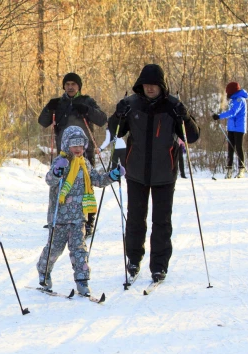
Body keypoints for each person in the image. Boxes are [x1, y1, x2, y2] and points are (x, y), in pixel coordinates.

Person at [108, 64, 200, 283]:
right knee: (135, 220)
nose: (149, 89)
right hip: (136, 172)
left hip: (164, 174)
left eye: (154, 85)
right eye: (146, 84)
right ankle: (133, 259)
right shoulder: (131, 105)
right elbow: (116, 131)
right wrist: (118, 115)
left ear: (162, 86)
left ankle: (159, 266)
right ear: (141, 85)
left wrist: (184, 117)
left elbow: (193, 136)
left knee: (162, 222)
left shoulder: (172, 106)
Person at [37, 126, 124, 296]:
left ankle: (82, 281)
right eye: (74, 145)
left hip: (78, 217)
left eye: (81, 145)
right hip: (59, 217)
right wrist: (57, 172)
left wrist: (112, 175)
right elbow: (50, 180)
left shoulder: (85, 164)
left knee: (79, 250)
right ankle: (44, 271)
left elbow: (97, 180)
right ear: (66, 145)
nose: (78, 149)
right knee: (54, 249)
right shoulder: (60, 162)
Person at [38, 72, 108, 237]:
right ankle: (58, 219)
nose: (70, 87)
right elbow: (42, 121)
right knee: (60, 185)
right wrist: (49, 108)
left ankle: (88, 221)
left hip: (84, 151)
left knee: (85, 186)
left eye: (73, 84)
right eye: (67, 84)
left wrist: (87, 110)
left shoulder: (86, 101)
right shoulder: (58, 103)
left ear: (79, 87)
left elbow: (102, 119)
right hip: (63, 153)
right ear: (64, 86)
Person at [212, 82, 248, 179]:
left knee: (238, 148)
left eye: (228, 92)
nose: (227, 94)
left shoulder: (239, 99)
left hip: (239, 128)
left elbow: (233, 112)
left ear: (232, 91)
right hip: (231, 128)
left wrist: (219, 116)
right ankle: (229, 170)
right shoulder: (233, 100)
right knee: (230, 149)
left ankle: (241, 170)